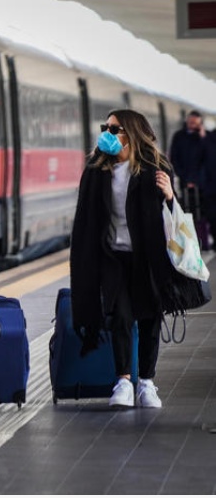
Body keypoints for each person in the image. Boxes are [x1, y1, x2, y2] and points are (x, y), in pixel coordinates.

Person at [70, 109, 177, 409]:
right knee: (121, 317)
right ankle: (123, 381)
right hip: (112, 257)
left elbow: (173, 218)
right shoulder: (96, 171)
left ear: (131, 133)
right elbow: (85, 219)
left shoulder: (156, 168)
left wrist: (170, 195)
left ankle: (147, 382)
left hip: (148, 258)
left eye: (114, 129)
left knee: (150, 319)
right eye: (105, 127)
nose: (107, 133)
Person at [169, 110, 206, 206]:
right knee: (187, 205)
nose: (192, 125)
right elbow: (174, 157)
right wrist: (184, 177)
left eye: (195, 123)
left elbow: (208, 158)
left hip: (202, 181)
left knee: (203, 206)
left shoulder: (205, 137)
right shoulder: (179, 136)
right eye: (191, 122)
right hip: (184, 179)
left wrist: (203, 138)